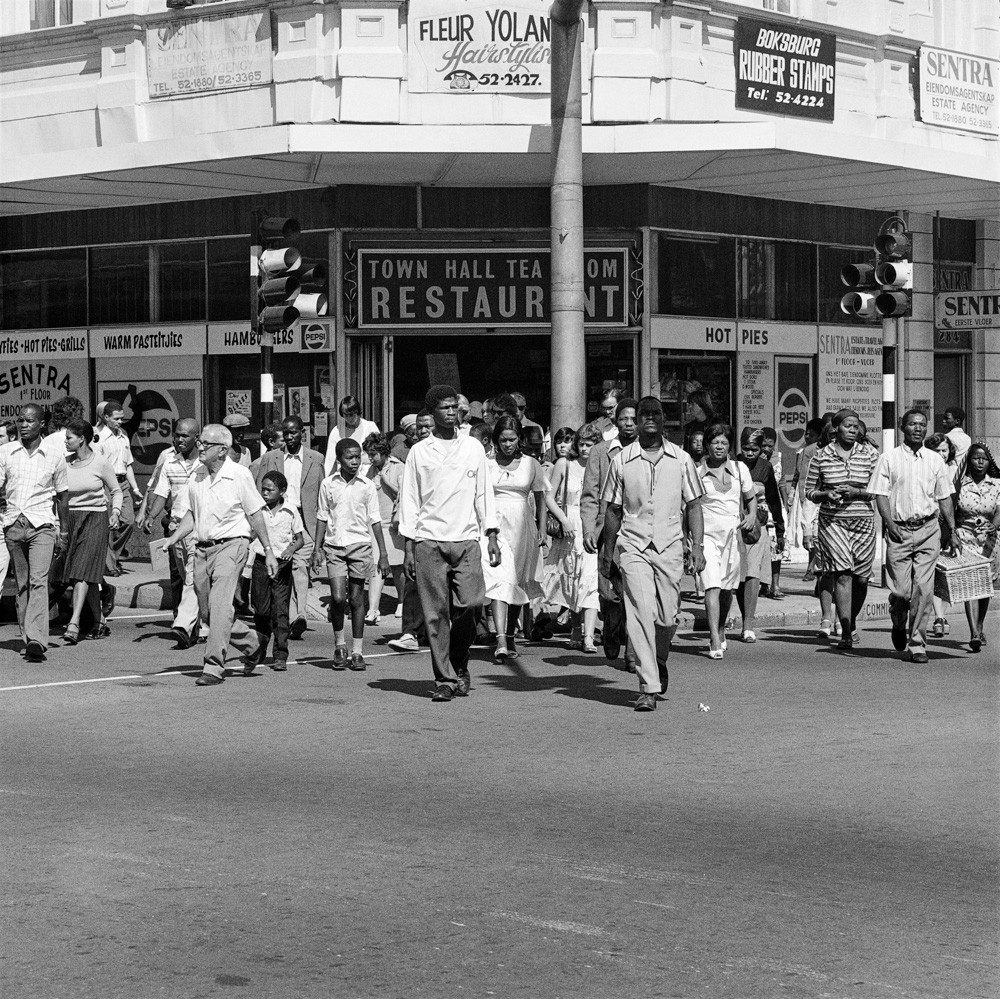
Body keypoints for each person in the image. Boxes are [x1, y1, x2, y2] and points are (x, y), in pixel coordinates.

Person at [601, 397, 705, 712]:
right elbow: (613, 508)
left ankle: (659, 657)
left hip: (671, 545)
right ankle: (649, 685)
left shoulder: (681, 459)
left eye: (654, 414)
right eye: (642, 414)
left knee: (668, 615)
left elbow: (695, 505)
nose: (648, 419)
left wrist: (697, 546)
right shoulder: (621, 460)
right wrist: (608, 553)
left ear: (663, 420)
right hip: (633, 546)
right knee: (640, 612)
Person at [398, 385, 500, 703]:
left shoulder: (472, 448)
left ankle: (459, 663)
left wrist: (492, 533)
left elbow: (484, 492)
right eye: (444, 407)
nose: (451, 412)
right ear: (431, 413)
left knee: (471, 604)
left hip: (467, 539)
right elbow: (410, 500)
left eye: (455, 406)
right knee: (435, 614)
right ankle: (445, 679)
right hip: (429, 541)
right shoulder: (419, 452)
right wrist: (410, 547)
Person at [161, 424, 276, 686]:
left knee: (221, 605)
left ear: (222, 450)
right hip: (203, 548)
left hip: (232, 545)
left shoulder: (239, 475)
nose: (199, 447)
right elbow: (192, 513)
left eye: (205, 443)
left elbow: (255, 513)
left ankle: (213, 666)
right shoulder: (197, 475)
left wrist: (268, 551)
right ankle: (253, 643)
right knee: (207, 614)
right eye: (200, 442)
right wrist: (174, 537)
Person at [868, 409, 959, 663]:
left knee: (923, 588)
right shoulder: (889, 458)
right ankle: (898, 621)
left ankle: (917, 643)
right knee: (901, 592)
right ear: (902, 427)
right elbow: (880, 494)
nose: (917, 428)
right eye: (912, 424)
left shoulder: (935, 460)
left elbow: (944, 497)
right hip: (898, 530)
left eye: (922, 424)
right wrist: (888, 524)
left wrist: (951, 530)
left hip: (929, 529)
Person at [804, 409, 880, 652]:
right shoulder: (821, 456)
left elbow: (880, 488)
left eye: (856, 426)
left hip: (863, 522)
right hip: (833, 521)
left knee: (861, 577)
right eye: (848, 426)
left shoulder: (870, 454)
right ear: (836, 428)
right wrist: (826, 494)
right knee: (843, 574)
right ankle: (846, 630)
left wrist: (857, 492)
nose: (853, 430)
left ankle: (851, 619)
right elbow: (809, 491)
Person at [0, 404, 70, 661]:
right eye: (20, 420)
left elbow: (62, 496)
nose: (23, 424)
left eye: (29, 421)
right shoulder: (6, 452)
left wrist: (63, 531)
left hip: (42, 526)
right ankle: (27, 635)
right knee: (22, 584)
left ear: (42, 424)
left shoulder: (54, 455)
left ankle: (37, 641)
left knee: (39, 580)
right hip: (14, 526)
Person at [314, 439, 389, 671]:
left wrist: (383, 553)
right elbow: (322, 516)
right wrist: (317, 549)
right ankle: (339, 645)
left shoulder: (367, 485)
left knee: (356, 599)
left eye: (358, 457)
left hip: (360, 546)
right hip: (334, 546)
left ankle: (357, 651)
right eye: (350, 457)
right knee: (337, 598)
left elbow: (375, 519)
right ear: (339, 459)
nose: (355, 461)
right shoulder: (328, 484)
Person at [483, 415, 551, 661]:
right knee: (498, 579)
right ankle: (500, 638)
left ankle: (510, 635)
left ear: (519, 439)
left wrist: (542, 529)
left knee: (515, 582)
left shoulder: (531, 464)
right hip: (494, 526)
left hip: (523, 526)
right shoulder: (486, 464)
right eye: (503, 440)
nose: (507, 445)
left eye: (512, 440)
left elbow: (541, 497)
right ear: (495, 440)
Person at [252, 415, 324, 641]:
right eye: (286, 433)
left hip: (304, 520)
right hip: (276, 517)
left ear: (302, 433)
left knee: (299, 567)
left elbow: (322, 493)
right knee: (282, 569)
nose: (290, 437)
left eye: (294, 432)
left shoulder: (316, 458)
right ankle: (288, 615)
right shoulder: (270, 457)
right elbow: (259, 490)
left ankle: (300, 614)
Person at [581, 399, 639, 663]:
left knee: (635, 589)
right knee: (608, 590)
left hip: (638, 528)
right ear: (616, 421)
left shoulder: (647, 452)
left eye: (634, 418)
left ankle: (632, 648)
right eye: (624, 418)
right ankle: (612, 627)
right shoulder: (601, 452)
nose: (629, 423)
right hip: (608, 529)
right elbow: (590, 495)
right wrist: (588, 529)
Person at [696, 423, 756, 658]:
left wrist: (751, 516)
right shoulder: (697, 472)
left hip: (733, 537)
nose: (719, 446)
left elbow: (750, 498)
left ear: (729, 446)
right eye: (714, 442)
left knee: (727, 589)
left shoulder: (740, 469)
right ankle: (713, 637)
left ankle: (720, 628)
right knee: (712, 585)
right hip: (707, 536)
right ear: (707, 446)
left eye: (723, 442)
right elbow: (690, 506)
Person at [61, 418, 122, 644]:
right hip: (71, 519)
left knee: (81, 572)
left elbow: (116, 491)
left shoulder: (100, 462)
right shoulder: (64, 463)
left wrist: (115, 512)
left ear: (82, 439)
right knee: (88, 575)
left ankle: (74, 623)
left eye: (69, 438)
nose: (65, 441)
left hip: (95, 519)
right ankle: (100, 620)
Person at [143, 419, 202, 648]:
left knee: (191, 578)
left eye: (185, 436)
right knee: (181, 578)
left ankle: (186, 627)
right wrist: (151, 516)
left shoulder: (205, 464)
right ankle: (190, 624)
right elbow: (161, 493)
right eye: (177, 435)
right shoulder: (170, 462)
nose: (179, 440)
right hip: (176, 527)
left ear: (196, 437)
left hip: (198, 529)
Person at [544, 423, 602, 652]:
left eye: (590, 444)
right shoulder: (564, 464)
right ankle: (575, 629)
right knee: (572, 579)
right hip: (569, 524)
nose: (586, 449)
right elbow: (549, 497)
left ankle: (588, 636)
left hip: (591, 525)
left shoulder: (601, 466)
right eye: (582, 444)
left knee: (590, 580)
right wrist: (563, 520)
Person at [245, 471, 304, 673]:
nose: (265, 492)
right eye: (263, 488)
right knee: (261, 610)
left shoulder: (291, 510)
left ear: (282, 491)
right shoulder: (257, 510)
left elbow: (299, 538)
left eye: (270, 489)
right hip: (261, 562)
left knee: (280, 610)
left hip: (282, 564)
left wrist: (291, 549)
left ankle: (280, 654)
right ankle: (259, 646)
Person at [735, 428, 781, 642]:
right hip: (734, 523)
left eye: (754, 449)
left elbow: (773, 498)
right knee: (738, 576)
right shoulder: (732, 466)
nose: (750, 453)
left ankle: (748, 625)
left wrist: (780, 528)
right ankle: (744, 615)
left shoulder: (766, 468)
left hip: (757, 526)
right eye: (746, 448)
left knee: (753, 572)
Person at [953, 443, 1000, 652]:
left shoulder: (997, 485)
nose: (980, 462)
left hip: (989, 541)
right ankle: (973, 632)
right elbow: (950, 510)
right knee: (970, 585)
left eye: (984, 458)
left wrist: (995, 525)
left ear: (989, 462)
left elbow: (999, 510)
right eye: (975, 458)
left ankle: (980, 625)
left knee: (985, 588)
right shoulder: (959, 484)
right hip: (966, 537)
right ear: (969, 461)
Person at [363, 433, 406, 624]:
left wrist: (386, 481)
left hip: (394, 524)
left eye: (373, 454)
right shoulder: (370, 471)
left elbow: (405, 494)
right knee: (377, 565)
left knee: (398, 569)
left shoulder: (399, 467)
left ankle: (402, 602)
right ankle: (373, 609)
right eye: (369, 454)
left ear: (383, 451)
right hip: (376, 525)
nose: (370, 458)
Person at [95, 401, 142, 575]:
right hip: (106, 484)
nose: (120, 422)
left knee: (128, 521)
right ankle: (109, 566)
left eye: (122, 418)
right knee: (108, 524)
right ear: (106, 418)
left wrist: (136, 489)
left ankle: (110, 556)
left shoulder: (123, 435)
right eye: (116, 419)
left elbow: (128, 464)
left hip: (122, 483)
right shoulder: (98, 438)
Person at [925, 432, 960, 638]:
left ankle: (940, 616)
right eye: (936, 450)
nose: (941, 454)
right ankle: (938, 617)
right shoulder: (926, 468)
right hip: (930, 524)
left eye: (944, 450)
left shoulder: (956, 471)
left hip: (949, 526)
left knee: (945, 574)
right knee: (930, 572)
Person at [790, 418, 824, 580]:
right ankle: (812, 568)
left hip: (825, 498)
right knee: (811, 533)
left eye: (811, 434)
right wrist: (799, 496)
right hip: (812, 496)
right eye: (806, 434)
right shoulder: (808, 451)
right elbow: (801, 476)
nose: (807, 437)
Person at [758, 427, 787, 599]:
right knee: (762, 547)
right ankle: (762, 584)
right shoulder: (754, 460)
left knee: (777, 547)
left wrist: (786, 504)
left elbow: (782, 482)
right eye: (763, 445)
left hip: (775, 507)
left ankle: (775, 585)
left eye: (770, 445)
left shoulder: (779, 458)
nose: (767, 449)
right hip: (760, 507)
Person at [324, 396, 380, 475]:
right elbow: (330, 459)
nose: (349, 418)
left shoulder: (370, 427)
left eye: (352, 414)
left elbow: (379, 453)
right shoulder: (337, 431)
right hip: (345, 477)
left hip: (368, 476)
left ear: (357, 412)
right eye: (346, 415)